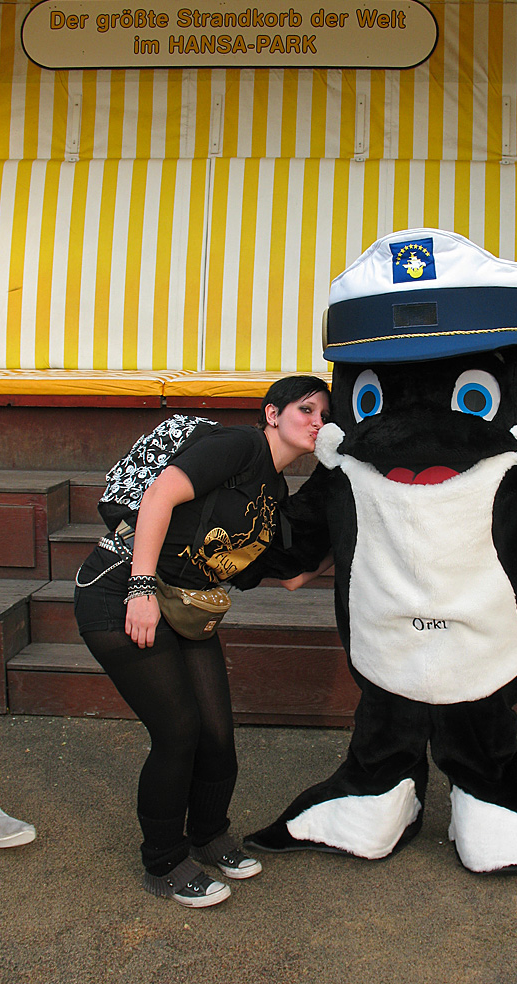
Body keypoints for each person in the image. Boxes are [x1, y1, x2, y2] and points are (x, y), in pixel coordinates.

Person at [74, 375, 330, 908]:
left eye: (324, 416)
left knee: (216, 733)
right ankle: (164, 863)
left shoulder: (274, 493)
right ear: (272, 413)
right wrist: (141, 588)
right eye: (306, 409)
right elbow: (160, 495)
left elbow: (288, 578)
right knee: (178, 732)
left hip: (184, 608)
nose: (316, 422)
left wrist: (350, 546)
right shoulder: (239, 446)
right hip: (121, 589)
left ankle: (208, 836)